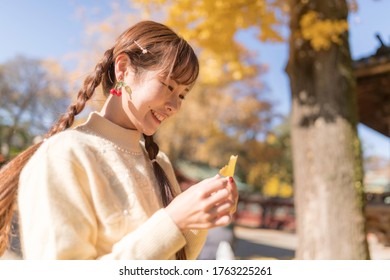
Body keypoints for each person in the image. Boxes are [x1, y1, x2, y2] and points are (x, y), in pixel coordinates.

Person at [0, 20, 238, 260]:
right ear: (123, 69)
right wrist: (173, 221)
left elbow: (175, 259)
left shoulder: (160, 163)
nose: (175, 106)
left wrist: (198, 216)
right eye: (168, 86)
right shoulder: (65, 155)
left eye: (182, 95)